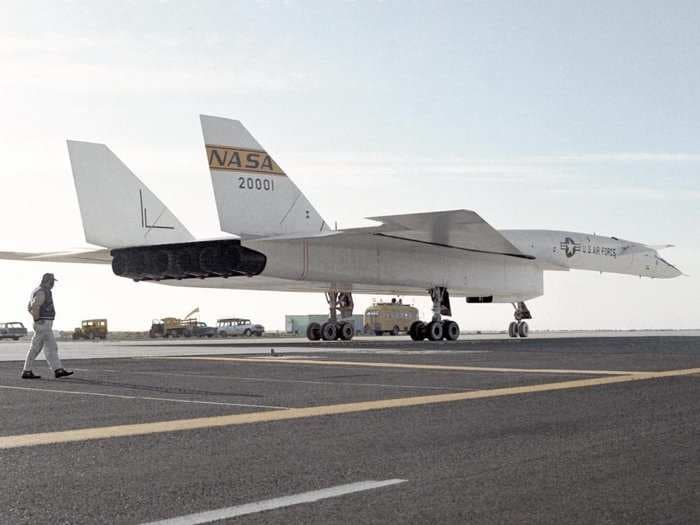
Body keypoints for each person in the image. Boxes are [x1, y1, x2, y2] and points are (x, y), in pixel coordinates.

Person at [21, 273, 73, 379]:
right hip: (44, 324)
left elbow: (29, 307)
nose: (53, 284)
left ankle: (55, 370)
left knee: (42, 347)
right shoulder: (42, 291)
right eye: (52, 281)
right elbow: (35, 306)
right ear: (48, 281)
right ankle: (56, 370)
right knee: (48, 347)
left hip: (43, 324)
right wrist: (37, 320)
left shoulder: (38, 290)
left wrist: (36, 320)